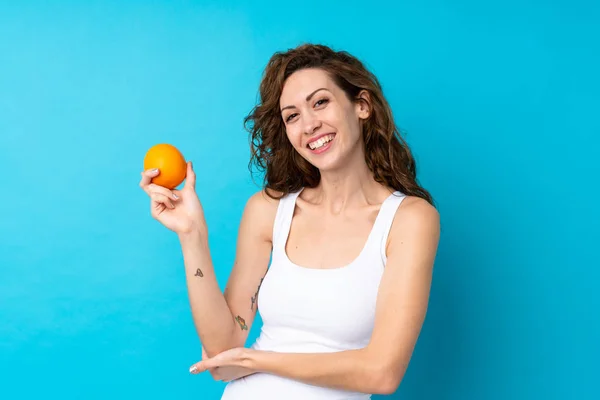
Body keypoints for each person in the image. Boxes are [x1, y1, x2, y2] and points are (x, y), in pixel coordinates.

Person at [139, 43, 440, 399]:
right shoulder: (268, 210)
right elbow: (222, 349)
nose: (310, 124)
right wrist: (192, 236)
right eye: (292, 116)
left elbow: (382, 373)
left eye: (320, 102)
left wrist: (260, 361)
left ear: (362, 105)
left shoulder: (409, 220)